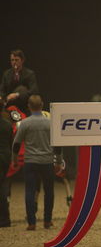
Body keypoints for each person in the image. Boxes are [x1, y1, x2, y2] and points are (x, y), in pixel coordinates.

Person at [12, 95, 62, 230]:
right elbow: (57, 146)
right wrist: (58, 162)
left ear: (29, 106)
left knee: (30, 191)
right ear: (42, 105)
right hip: (47, 162)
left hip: (30, 162)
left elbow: (16, 144)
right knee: (49, 191)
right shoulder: (49, 123)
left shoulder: (25, 123)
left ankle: (32, 222)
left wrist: (15, 160)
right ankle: (47, 221)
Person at [0, 49, 39, 114]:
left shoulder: (29, 74)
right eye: (12, 60)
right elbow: (2, 90)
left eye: (16, 60)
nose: (14, 62)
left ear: (22, 60)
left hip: (25, 107)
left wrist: (17, 95)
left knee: (22, 88)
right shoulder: (6, 74)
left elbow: (34, 91)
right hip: (9, 107)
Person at [0, 99, 13, 227]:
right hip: (5, 157)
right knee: (3, 187)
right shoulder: (7, 124)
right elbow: (11, 142)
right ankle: (5, 219)